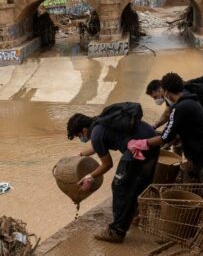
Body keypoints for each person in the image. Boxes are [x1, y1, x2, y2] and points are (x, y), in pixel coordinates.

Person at [67, 104, 159, 243]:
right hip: (151, 141)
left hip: (138, 149)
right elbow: (96, 146)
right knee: (138, 183)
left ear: (84, 130)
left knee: (120, 186)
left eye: (79, 135)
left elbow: (107, 164)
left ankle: (116, 231)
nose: (81, 138)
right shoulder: (100, 122)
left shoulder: (96, 134)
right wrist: (80, 155)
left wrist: (90, 176)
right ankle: (134, 215)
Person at [132, 73, 203, 183]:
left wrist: (142, 143)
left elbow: (165, 137)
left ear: (165, 91)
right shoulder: (191, 100)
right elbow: (171, 120)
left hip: (202, 159)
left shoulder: (180, 108)